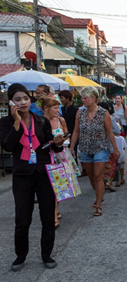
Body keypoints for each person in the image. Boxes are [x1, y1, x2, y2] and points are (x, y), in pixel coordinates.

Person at [0, 83, 65, 271]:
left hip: (43, 172)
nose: (22, 103)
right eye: (17, 99)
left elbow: (50, 145)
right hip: (22, 175)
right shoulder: (5, 122)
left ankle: (47, 254)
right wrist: (16, 122)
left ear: (30, 100)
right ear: (11, 102)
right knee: (22, 218)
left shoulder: (40, 120)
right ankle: (20, 255)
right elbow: (8, 146)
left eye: (25, 99)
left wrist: (58, 143)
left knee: (47, 217)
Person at [69, 87, 120, 216]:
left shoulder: (103, 113)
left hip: (101, 148)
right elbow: (76, 131)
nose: (83, 100)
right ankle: (99, 194)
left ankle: (98, 204)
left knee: (98, 176)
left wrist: (115, 148)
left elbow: (109, 132)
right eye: (82, 98)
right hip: (85, 148)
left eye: (85, 98)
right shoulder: (80, 113)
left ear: (93, 98)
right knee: (91, 176)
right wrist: (72, 146)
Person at [41, 97, 69, 228]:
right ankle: (53, 215)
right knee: (51, 187)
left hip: (60, 155)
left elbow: (67, 133)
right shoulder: (40, 121)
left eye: (58, 107)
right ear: (46, 108)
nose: (58, 110)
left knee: (58, 185)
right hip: (46, 157)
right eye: (55, 107)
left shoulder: (60, 120)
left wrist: (65, 139)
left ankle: (55, 209)